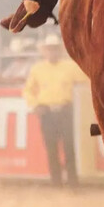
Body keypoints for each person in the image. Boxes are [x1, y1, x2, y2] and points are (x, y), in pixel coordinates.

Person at [23, 34, 87, 186]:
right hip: (47, 112)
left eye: (55, 49)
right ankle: (56, 183)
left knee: (69, 147)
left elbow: (86, 81)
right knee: (51, 148)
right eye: (49, 49)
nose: (52, 52)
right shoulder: (37, 69)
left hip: (65, 111)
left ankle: (72, 182)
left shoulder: (70, 67)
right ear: (45, 51)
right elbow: (27, 90)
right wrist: (35, 104)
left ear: (59, 50)